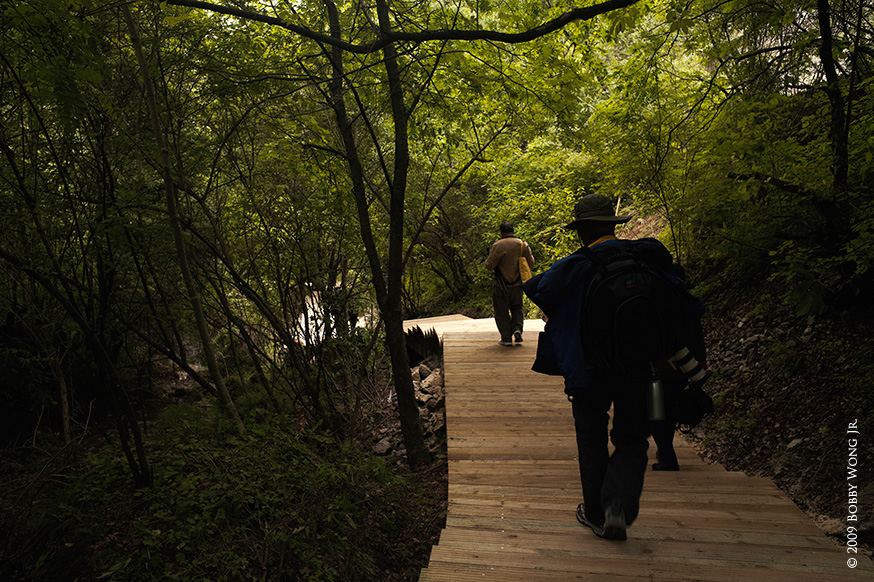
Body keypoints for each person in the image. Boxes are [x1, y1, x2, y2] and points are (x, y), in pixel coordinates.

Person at [522, 193, 705, 541]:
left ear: (581, 231)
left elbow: (541, 291)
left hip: (590, 370)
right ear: (613, 225)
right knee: (633, 438)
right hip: (640, 367)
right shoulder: (643, 257)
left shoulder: (577, 264)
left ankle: (596, 515)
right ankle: (618, 505)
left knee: (591, 438)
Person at [485, 222, 535, 346]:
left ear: (501, 232)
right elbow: (531, 263)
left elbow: (489, 265)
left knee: (502, 311)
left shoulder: (498, 245)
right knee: (517, 307)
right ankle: (518, 329)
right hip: (518, 285)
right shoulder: (522, 244)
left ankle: (506, 338)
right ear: (513, 230)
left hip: (501, 285)